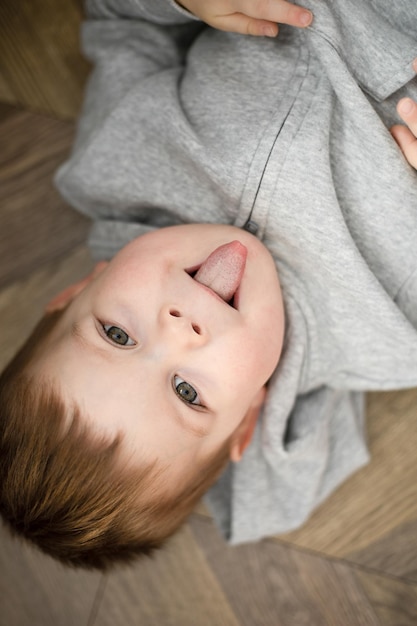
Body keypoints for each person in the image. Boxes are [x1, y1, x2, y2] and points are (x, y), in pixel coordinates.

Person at [1, 0, 417, 570]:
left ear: (75, 293)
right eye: (187, 394)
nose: (180, 328)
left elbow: (119, 21)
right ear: (248, 418)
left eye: (118, 335)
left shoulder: (118, 163)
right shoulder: (388, 336)